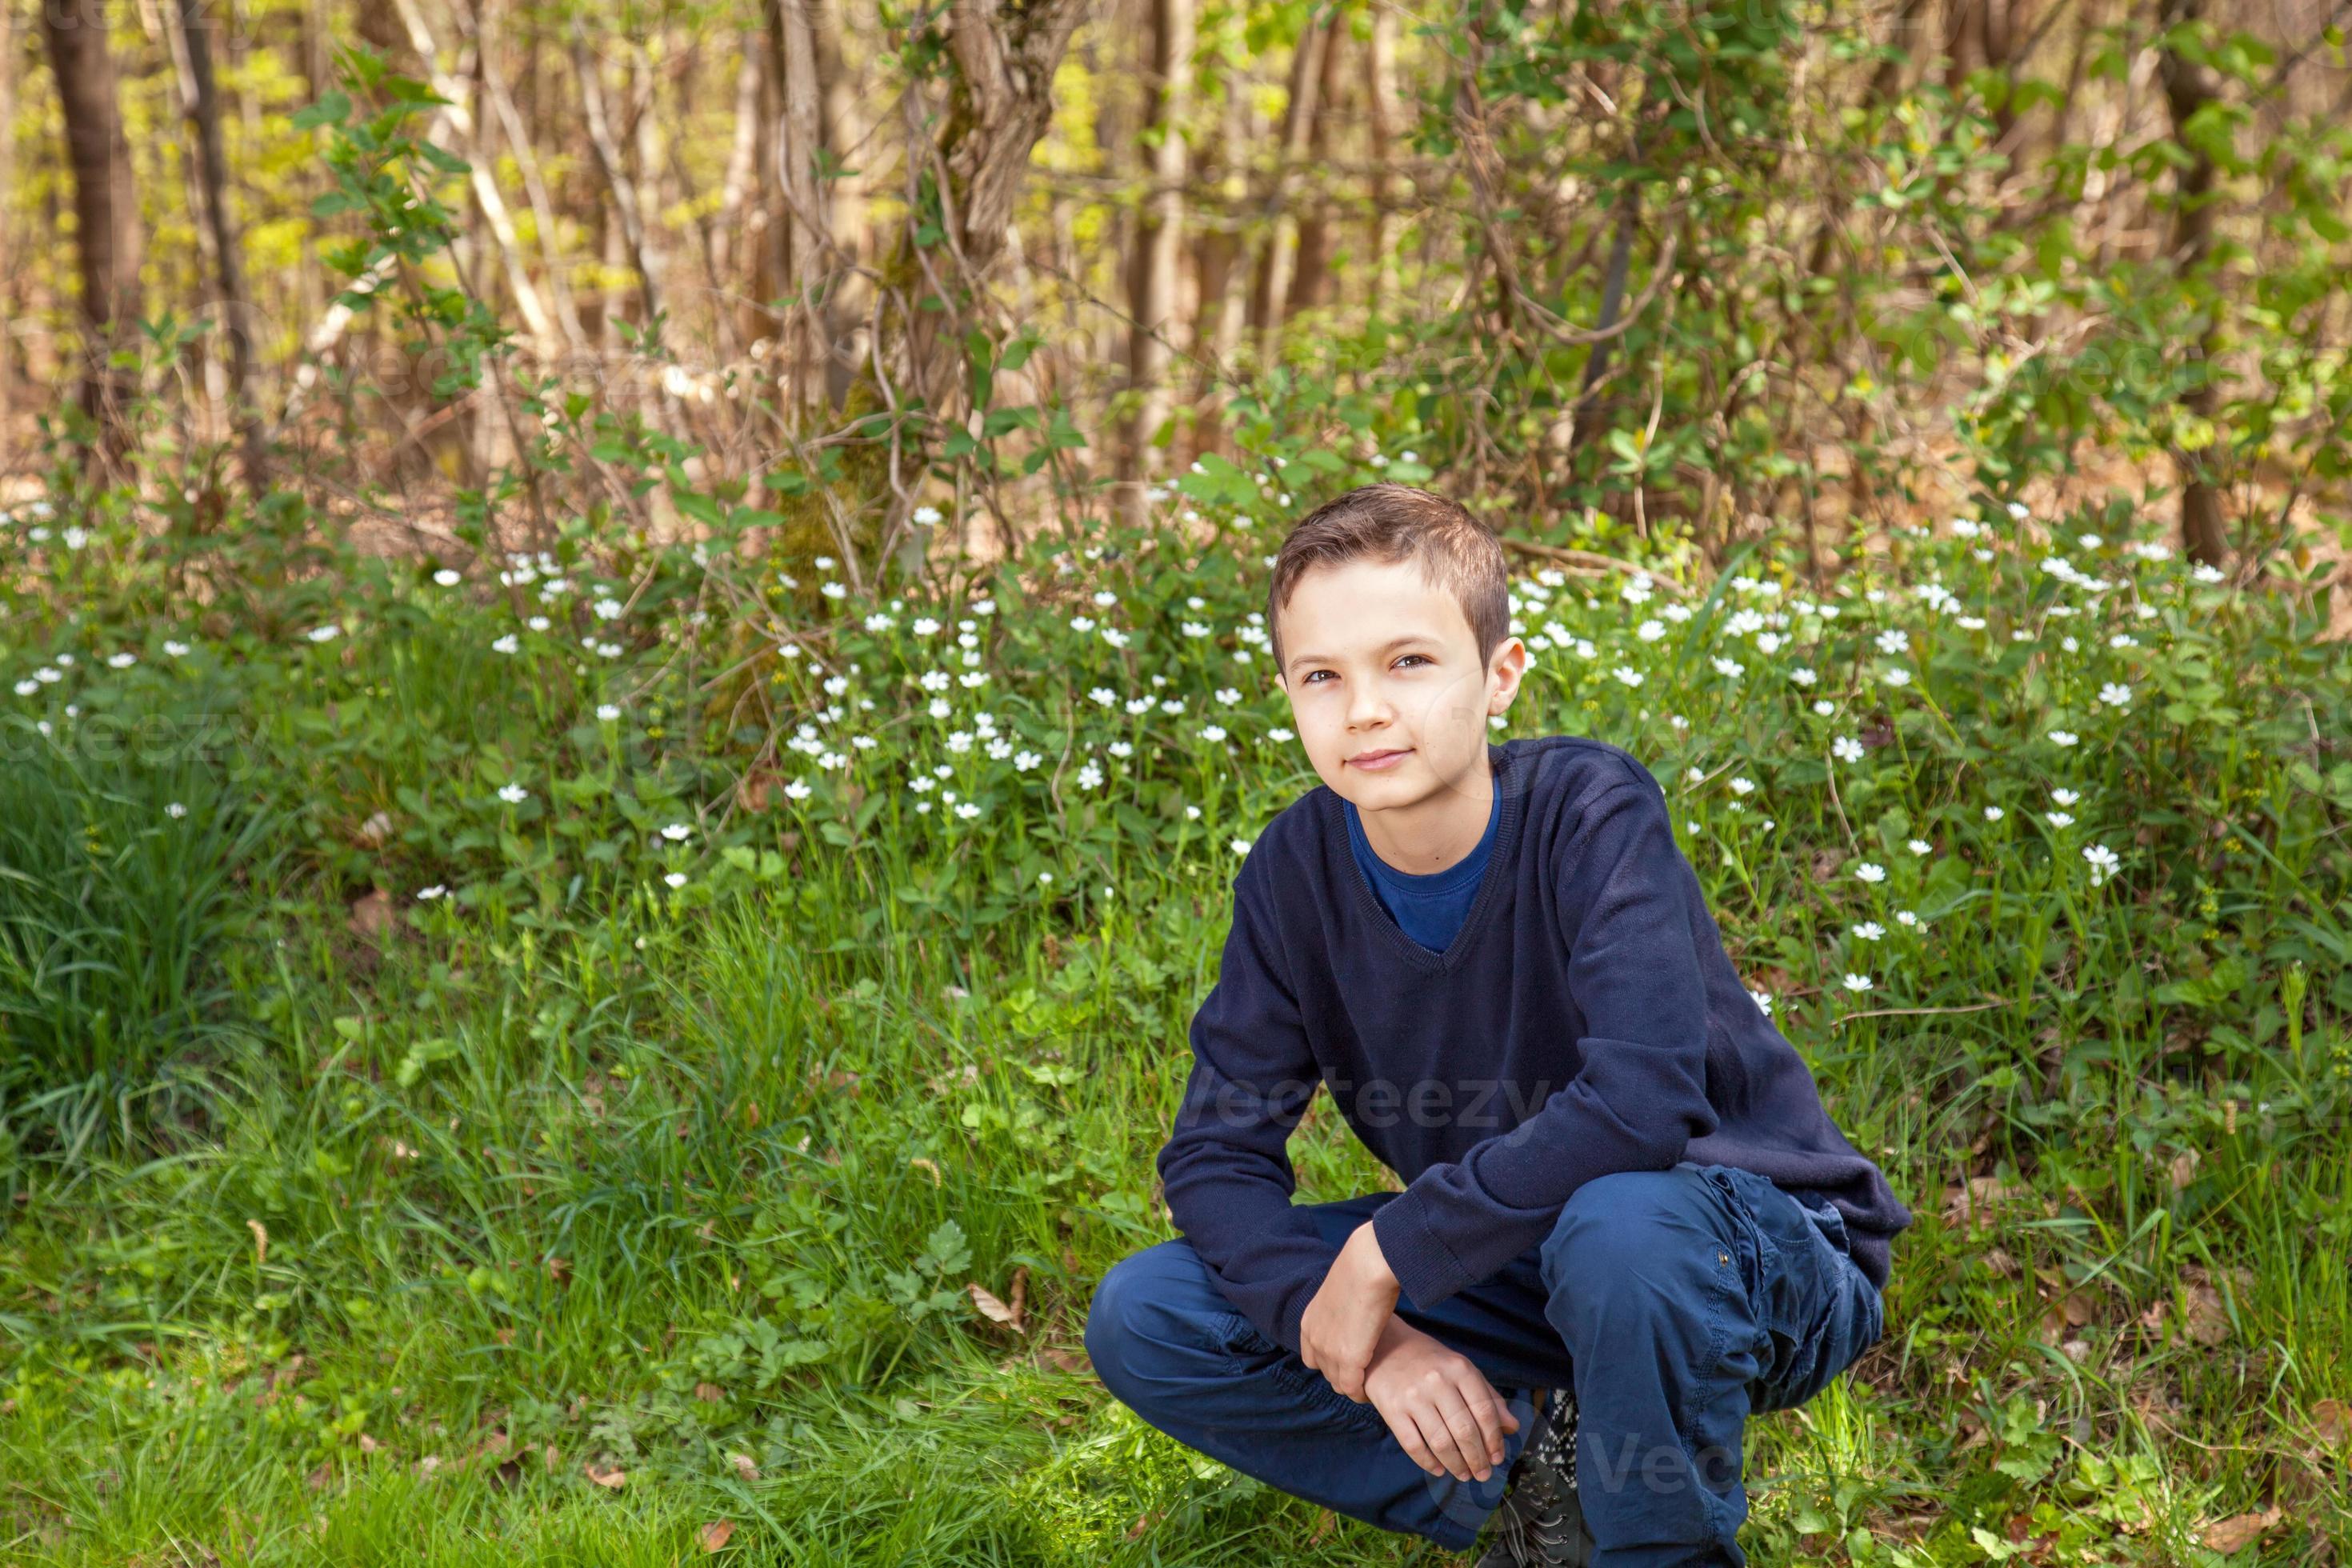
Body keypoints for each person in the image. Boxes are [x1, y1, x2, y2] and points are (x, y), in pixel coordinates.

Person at [1082, 484, 1914, 1567]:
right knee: (1148, 1310)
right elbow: (1212, 1157)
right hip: (1522, 1254)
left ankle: (1657, 1547)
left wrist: (1389, 1252)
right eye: (1322, 677)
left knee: (1620, 1230)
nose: (1365, 709)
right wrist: (1373, 1342)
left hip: (1744, 1247)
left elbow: (1643, 1105)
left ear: (1500, 674)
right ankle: (1535, 1487)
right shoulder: (1293, 874)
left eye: (1409, 663)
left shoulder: (1589, 814)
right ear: (1287, 692)